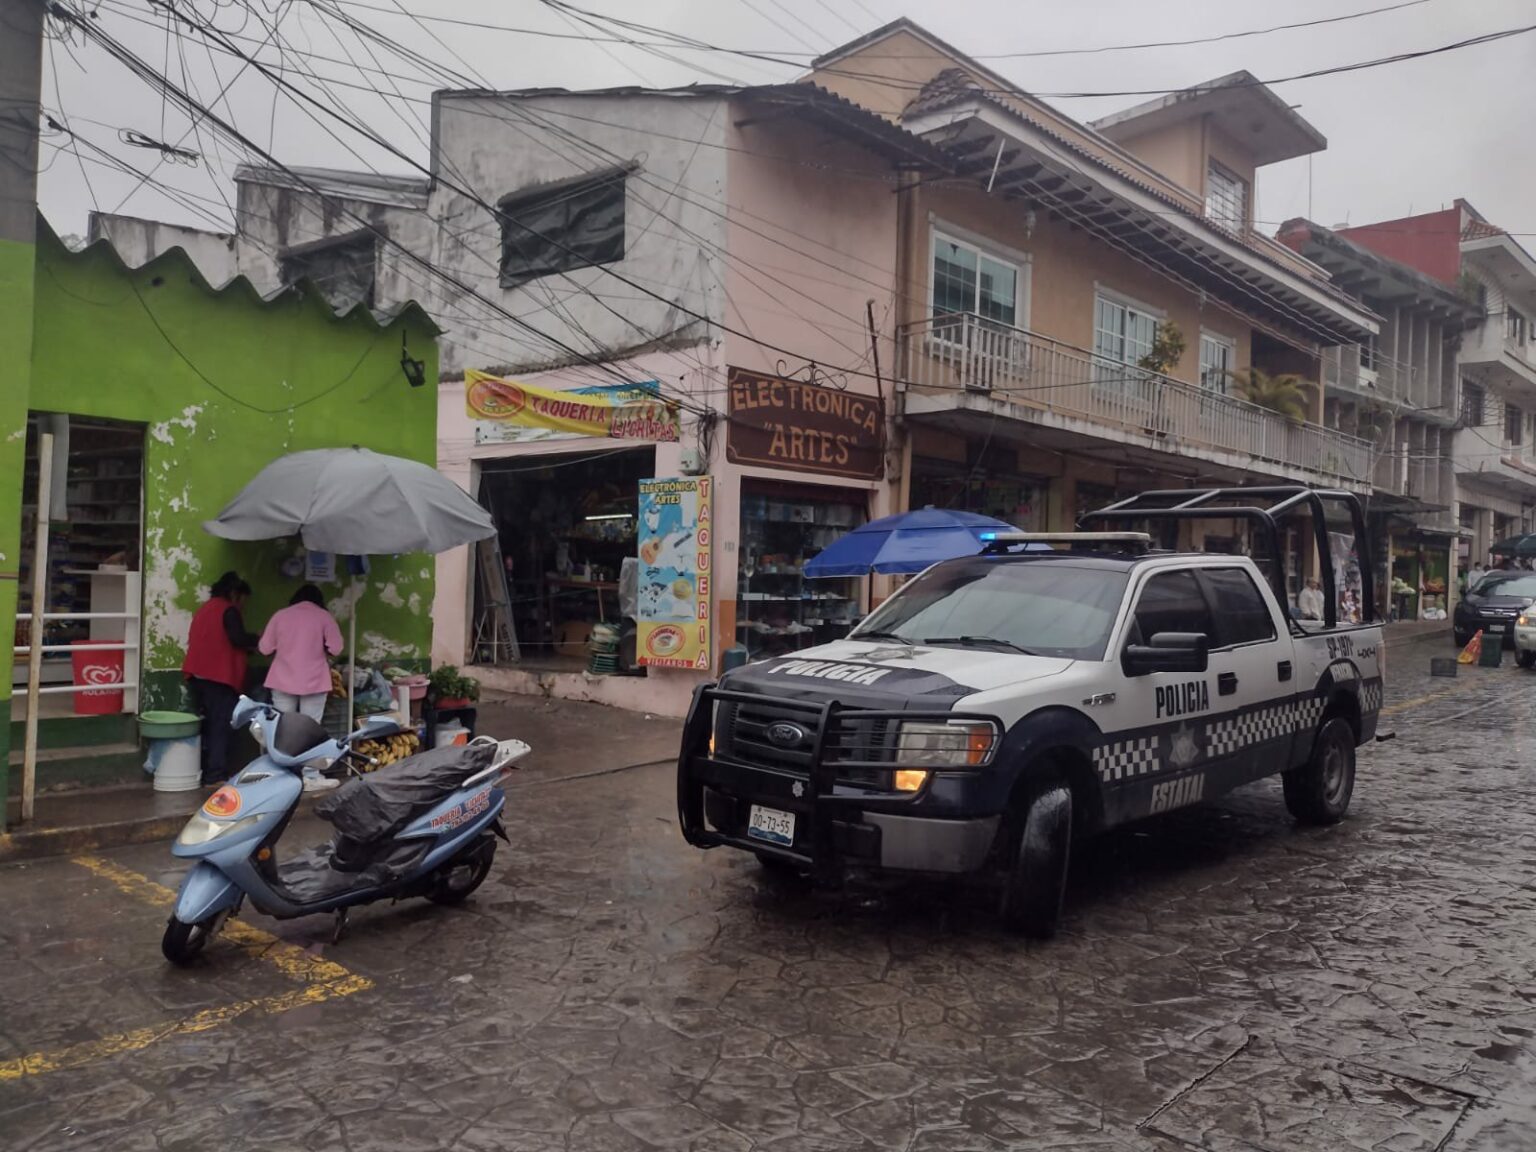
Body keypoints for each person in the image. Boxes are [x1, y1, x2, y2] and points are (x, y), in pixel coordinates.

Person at [259, 584, 345, 793]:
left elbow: (264, 648)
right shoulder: (324, 616)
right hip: (314, 680)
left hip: (282, 680)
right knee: (311, 730)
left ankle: (282, 774)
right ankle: (310, 776)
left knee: (282, 730)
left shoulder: (280, 615)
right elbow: (337, 647)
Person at [183, 572, 259, 787]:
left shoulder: (206, 608)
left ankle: (206, 770)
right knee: (220, 725)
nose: (244, 606)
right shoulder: (228, 610)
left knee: (208, 725)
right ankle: (215, 775)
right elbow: (237, 638)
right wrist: (258, 639)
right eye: (243, 600)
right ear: (235, 593)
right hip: (217, 677)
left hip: (198, 675)